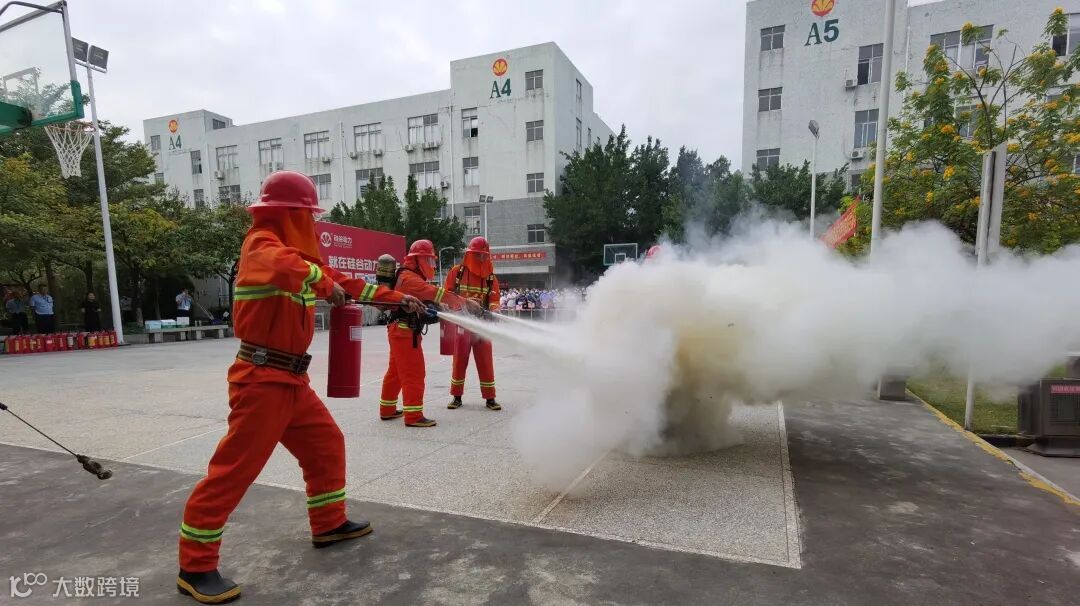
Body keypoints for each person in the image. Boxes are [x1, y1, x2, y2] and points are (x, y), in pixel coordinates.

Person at [175, 171, 424, 604]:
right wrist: (324, 283)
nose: (311, 224)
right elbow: (288, 269)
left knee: (326, 444)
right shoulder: (261, 246)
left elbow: (346, 282)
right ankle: (194, 565)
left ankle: (328, 523)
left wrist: (396, 298)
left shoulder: (299, 258)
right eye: (307, 215)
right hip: (261, 380)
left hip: (291, 378)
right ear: (288, 214)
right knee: (234, 470)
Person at [378, 241, 481, 427]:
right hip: (405, 332)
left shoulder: (407, 276)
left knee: (395, 372)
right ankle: (413, 416)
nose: (432, 265)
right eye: (429, 261)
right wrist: (466, 302)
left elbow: (429, 296)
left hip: (399, 330)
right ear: (417, 260)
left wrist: (441, 305)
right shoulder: (410, 278)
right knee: (414, 373)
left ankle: (387, 409)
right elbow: (434, 292)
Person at [445, 236, 502, 411]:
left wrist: (495, 310)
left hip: (482, 325)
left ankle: (490, 398)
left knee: (486, 362)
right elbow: (447, 294)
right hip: (462, 323)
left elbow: (494, 299)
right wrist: (464, 303)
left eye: (484, 255)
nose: (481, 258)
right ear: (469, 254)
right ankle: (456, 397)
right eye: (477, 254)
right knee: (459, 361)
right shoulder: (457, 272)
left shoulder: (491, 277)